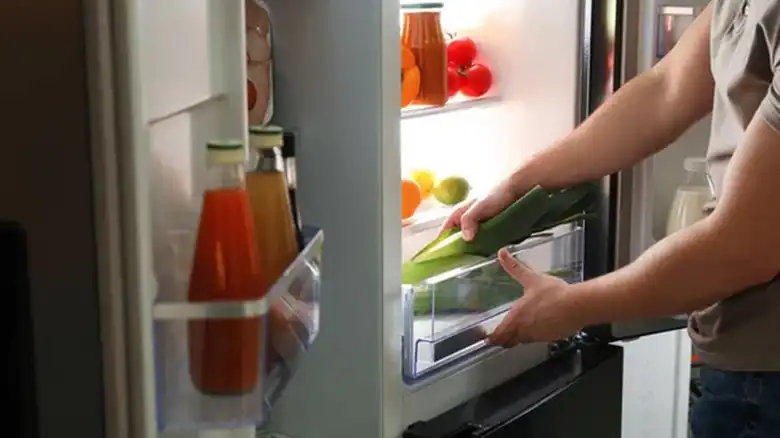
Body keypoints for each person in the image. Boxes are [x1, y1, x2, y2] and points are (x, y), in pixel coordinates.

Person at [442, 1, 780, 436]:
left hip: (766, 379)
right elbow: (665, 90)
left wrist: (575, 306)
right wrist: (522, 182)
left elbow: (743, 249)